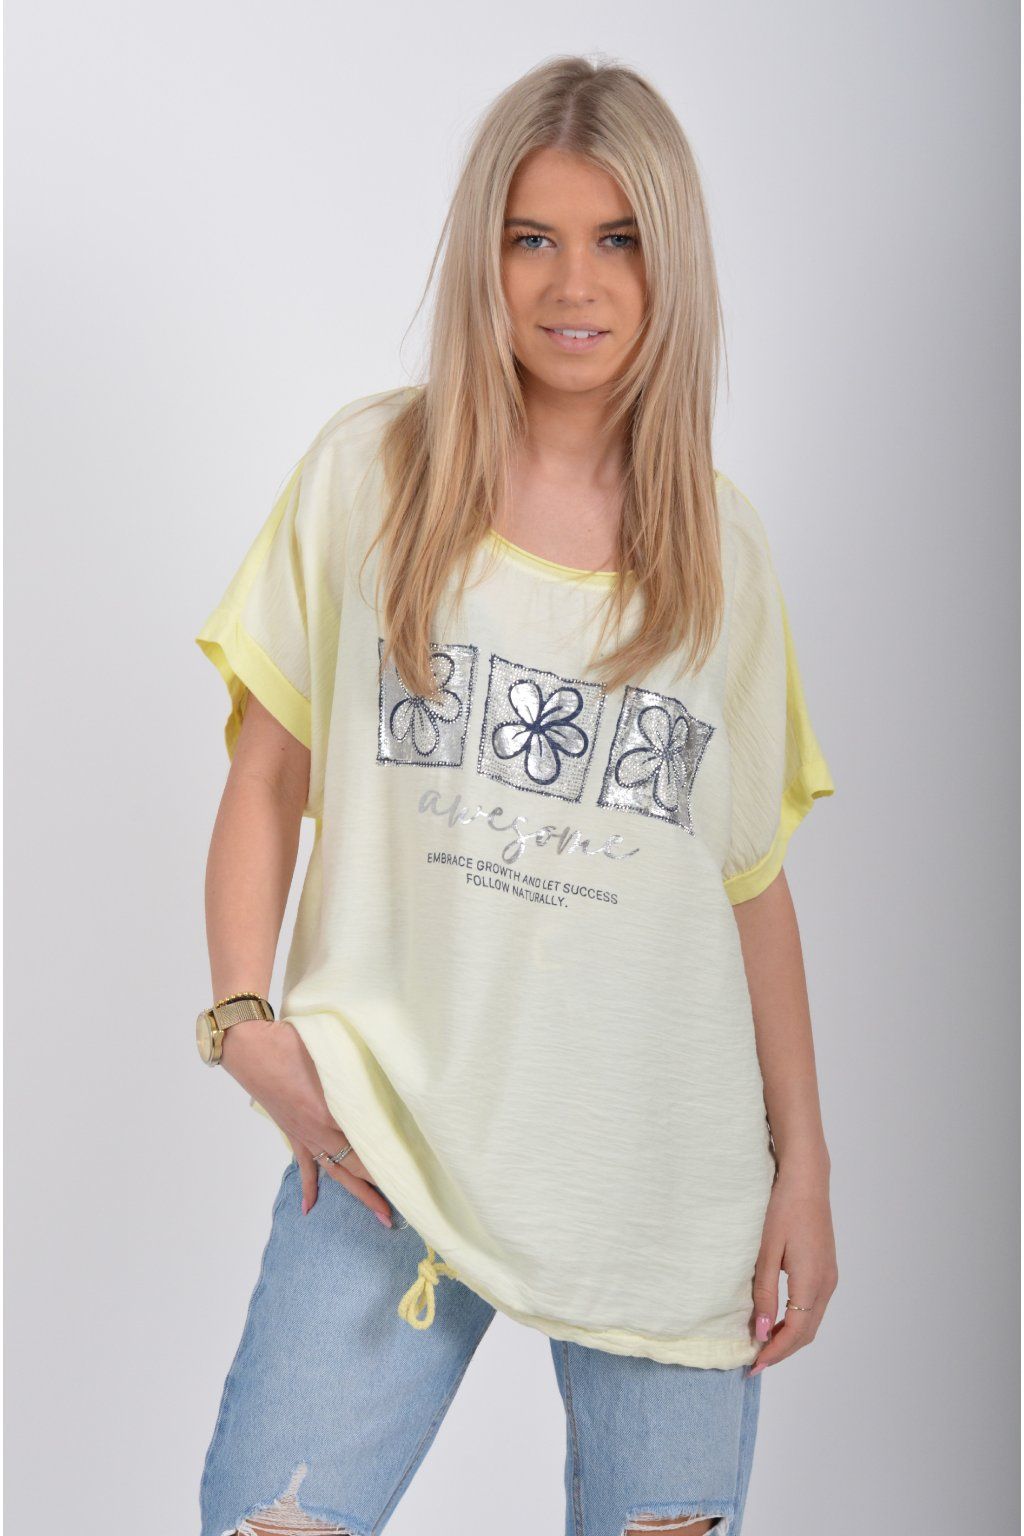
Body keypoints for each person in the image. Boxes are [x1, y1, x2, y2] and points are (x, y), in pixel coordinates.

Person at [192, 54, 839, 1536]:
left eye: (619, 240)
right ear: (483, 255)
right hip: (388, 1136)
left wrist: (804, 1166)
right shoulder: (372, 476)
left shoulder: (722, 551)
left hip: (661, 1181)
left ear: (672, 265)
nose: (574, 284)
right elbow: (267, 774)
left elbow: (748, 888)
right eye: (531, 237)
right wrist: (243, 1022)